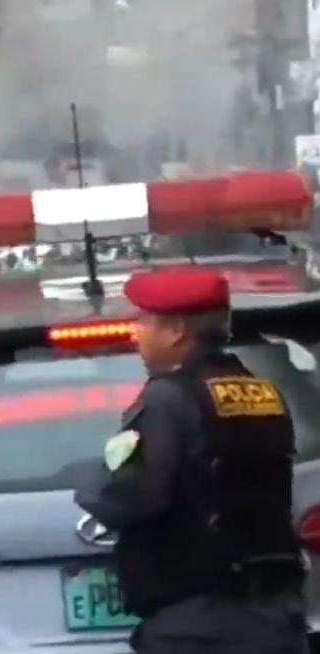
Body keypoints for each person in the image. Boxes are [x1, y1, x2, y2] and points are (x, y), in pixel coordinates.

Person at [74, 266, 308, 653]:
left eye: (144, 321)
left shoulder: (168, 399)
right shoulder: (262, 391)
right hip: (275, 614)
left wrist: (92, 486)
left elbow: (133, 495)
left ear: (176, 331)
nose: (135, 333)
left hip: (197, 620)